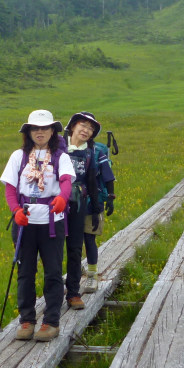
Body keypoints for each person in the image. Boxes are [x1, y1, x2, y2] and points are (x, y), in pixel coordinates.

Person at [0, 109, 75, 342]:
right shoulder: (18, 156)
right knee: (25, 272)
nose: (39, 132)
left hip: (52, 221)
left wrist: (62, 198)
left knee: (53, 272)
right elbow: (10, 189)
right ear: (29, 132)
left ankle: (51, 321)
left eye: (44, 128)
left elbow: (65, 181)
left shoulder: (61, 156)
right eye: (35, 128)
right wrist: (15, 211)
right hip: (24, 222)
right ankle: (27, 319)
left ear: (52, 130)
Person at [64, 112, 116, 299]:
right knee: (65, 243)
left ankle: (92, 275)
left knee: (88, 238)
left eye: (91, 128)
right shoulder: (60, 148)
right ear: (73, 126)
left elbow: (107, 175)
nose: (86, 130)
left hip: (87, 202)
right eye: (83, 125)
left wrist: (108, 197)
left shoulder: (95, 152)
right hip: (62, 204)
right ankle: (73, 277)